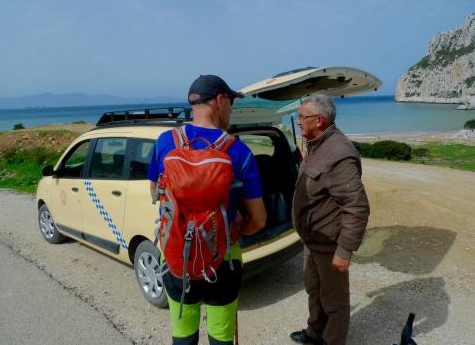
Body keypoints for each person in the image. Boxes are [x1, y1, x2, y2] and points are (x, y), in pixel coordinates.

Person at [148, 74, 267, 345]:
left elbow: (155, 193)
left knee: (183, 333)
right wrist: (232, 228)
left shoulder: (165, 143)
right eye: (231, 104)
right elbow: (259, 220)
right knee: (221, 336)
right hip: (222, 258)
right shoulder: (239, 151)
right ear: (221, 101)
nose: (231, 110)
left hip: (177, 255)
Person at [290, 95, 370, 345]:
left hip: (330, 244)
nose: (298, 121)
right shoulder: (315, 143)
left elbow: (357, 207)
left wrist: (344, 250)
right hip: (313, 240)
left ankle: (333, 340)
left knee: (334, 300)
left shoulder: (339, 153)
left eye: (302, 117)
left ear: (319, 120)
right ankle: (315, 333)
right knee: (314, 290)